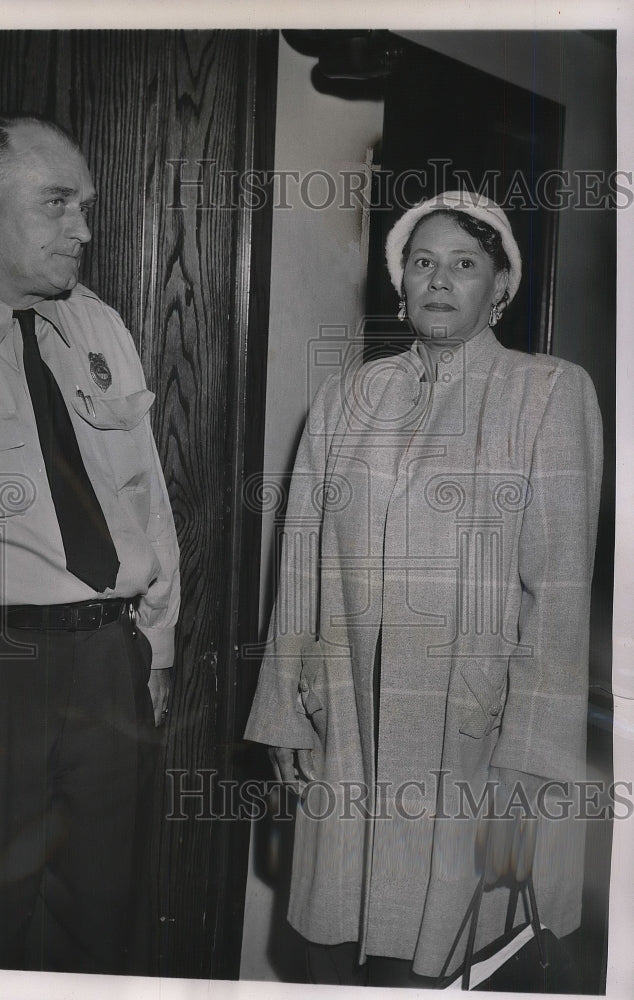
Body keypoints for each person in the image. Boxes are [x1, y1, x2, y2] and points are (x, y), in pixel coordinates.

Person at [244, 191, 603, 987]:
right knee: (338, 950)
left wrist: (531, 762)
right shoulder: (346, 397)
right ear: (399, 283)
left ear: (501, 287)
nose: (440, 281)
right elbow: (299, 558)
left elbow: (561, 589)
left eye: (465, 265)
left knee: (451, 953)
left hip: (474, 733)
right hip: (347, 726)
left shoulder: (547, 392)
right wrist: (281, 712)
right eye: (422, 262)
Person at [0, 112, 180, 974]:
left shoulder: (99, 326)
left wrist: (155, 650)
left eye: (84, 205)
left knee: (101, 930)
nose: (84, 229)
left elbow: (145, 498)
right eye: (58, 204)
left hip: (106, 662)